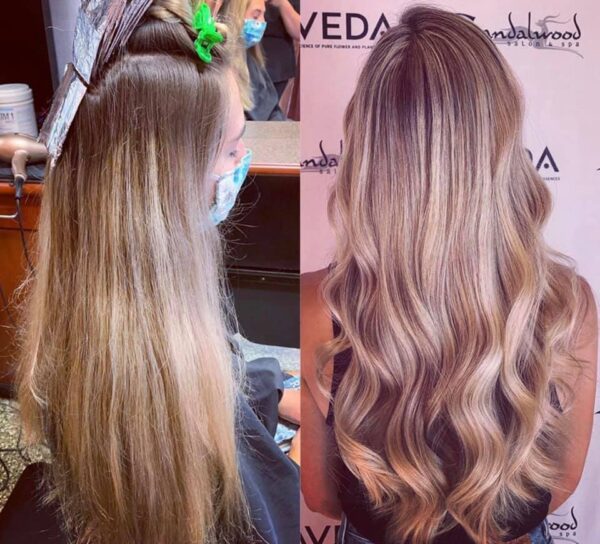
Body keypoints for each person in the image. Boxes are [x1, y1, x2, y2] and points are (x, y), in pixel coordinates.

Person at [301, 6, 598, 544]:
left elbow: (322, 497)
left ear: (370, 150)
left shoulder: (318, 304)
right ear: (499, 140)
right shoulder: (566, 304)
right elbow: (560, 484)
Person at [6, 1, 298, 543]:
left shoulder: (88, 322)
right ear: (168, 188)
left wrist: (271, 391)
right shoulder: (165, 406)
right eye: (231, 149)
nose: (242, 162)